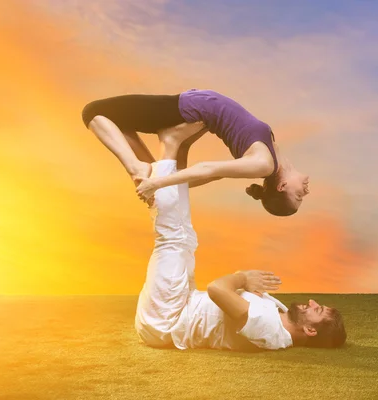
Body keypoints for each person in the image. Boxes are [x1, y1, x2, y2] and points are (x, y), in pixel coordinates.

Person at [134, 135, 346, 351]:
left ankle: (170, 143)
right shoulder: (276, 319)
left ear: (311, 331)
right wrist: (242, 281)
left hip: (167, 320)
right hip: (182, 304)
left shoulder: (267, 328)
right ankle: (180, 148)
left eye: (317, 310)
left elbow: (217, 289)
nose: (311, 302)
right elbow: (229, 294)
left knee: (174, 238)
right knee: (184, 237)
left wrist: (244, 277)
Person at [82, 89, 310, 216]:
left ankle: (137, 168)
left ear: (282, 187)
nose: (306, 192)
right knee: (118, 123)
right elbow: (213, 175)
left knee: (93, 111)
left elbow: (208, 169)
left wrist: (157, 184)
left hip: (189, 110)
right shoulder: (273, 158)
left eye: (298, 196)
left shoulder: (264, 164)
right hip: (194, 112)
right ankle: (149, 169)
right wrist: (164, 182)